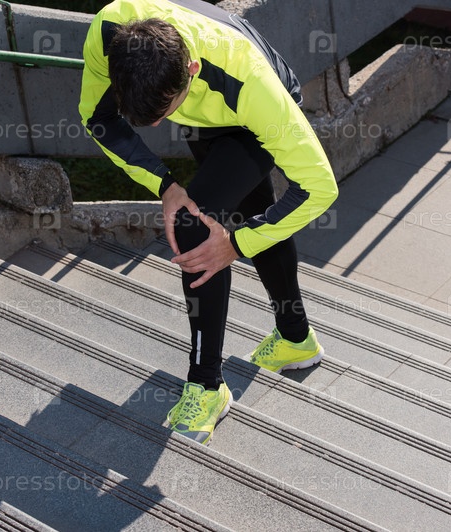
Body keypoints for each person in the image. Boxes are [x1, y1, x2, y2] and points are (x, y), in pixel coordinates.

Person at [79, 0, 338, 445]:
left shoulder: (251, 84)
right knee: (250, 212)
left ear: (191, 69)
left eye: (163, 111)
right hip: (204, 114)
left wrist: (234, 246)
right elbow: (96, 118)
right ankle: (296, 339)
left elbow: (319, 187)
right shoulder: (110, 33)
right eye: (146, 117)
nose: (156, 125)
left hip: (248, 105)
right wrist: (165, 185)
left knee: (195, 227)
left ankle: (207, 385)